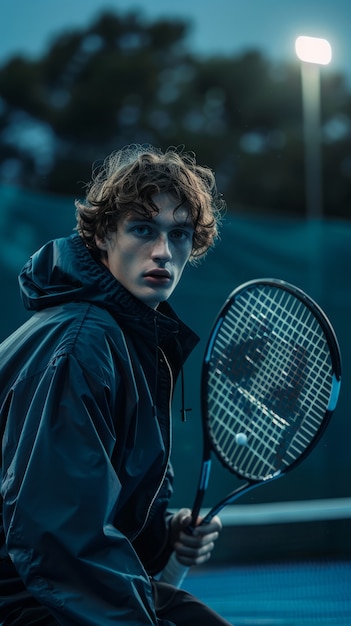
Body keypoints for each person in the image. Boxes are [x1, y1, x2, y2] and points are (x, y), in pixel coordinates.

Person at [0, 144, 231, 625]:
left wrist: (163, 538)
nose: (164, 252)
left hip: (52, 587)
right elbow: (55, 538)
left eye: (180, 235)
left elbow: (97, 507)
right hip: (28, 598)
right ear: (104, 234)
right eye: (143, 229)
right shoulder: (84, 341)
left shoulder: (127, 337)